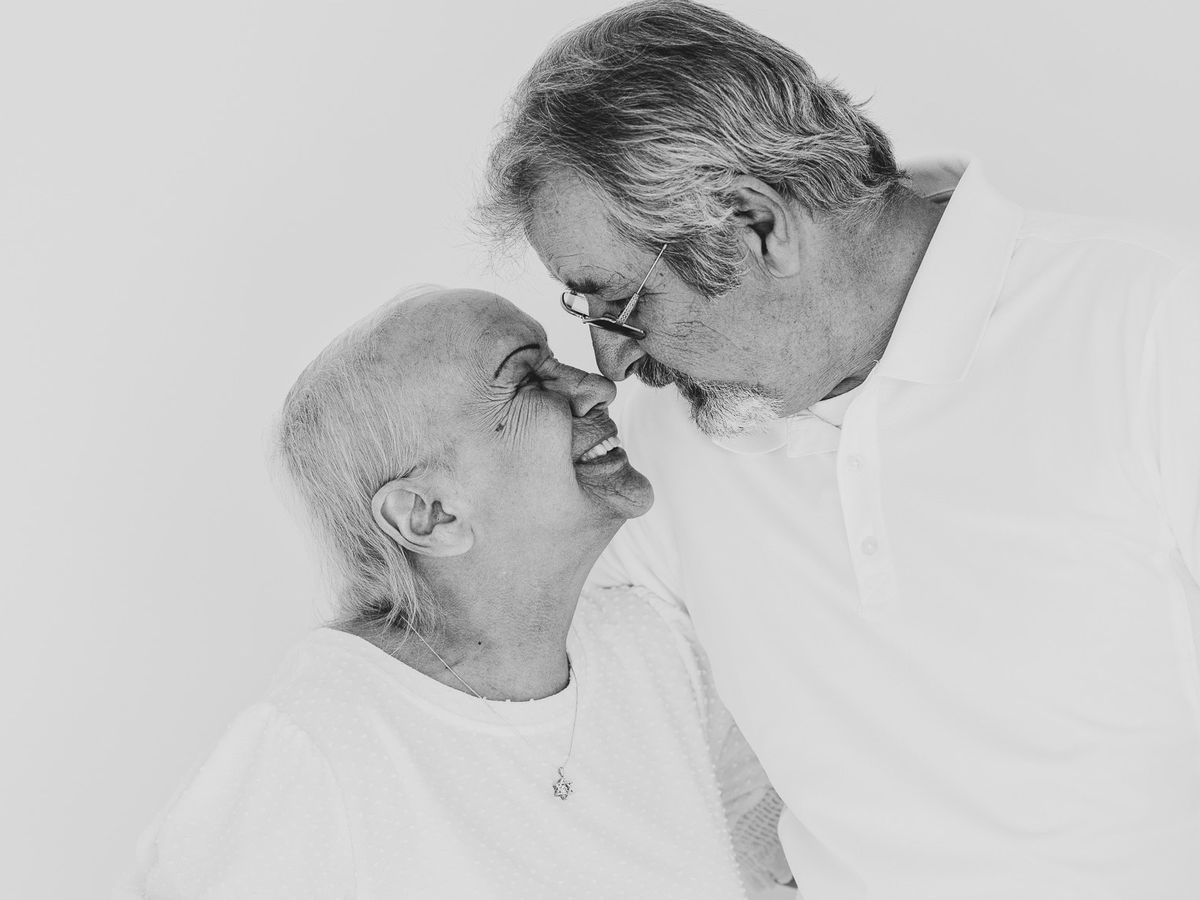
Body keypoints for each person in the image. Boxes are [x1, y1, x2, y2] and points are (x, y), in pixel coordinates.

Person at [479, 1, 1200, 897]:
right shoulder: (673, 436)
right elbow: (530, 672)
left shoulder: (1157, 327)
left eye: (619, 301)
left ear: (757, 224)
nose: (612, 361)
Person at [117, 287, 791, 899]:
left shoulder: (655, 648)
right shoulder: (313, 746)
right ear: (429, 516)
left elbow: (785, 855)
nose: (597, 386)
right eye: (527, 378)